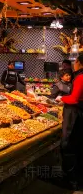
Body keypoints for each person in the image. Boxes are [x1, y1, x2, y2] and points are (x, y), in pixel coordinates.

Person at [58, 54, 83, 189]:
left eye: (75, 61)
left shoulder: (80, 77)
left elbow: (74, 99)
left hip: (75, 115)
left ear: (79, 62)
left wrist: (62, 99)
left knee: (69, 145)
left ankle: (71, 180)